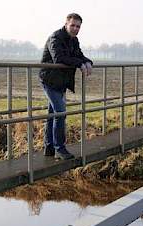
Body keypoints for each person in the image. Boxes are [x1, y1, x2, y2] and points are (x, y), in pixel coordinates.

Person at [39, 13, 93, 160]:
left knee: (53, 114)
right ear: (66, 24)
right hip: (50, 80)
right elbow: (59, 58)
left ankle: (49, 147)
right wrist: (79, 64)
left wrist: (88, 62)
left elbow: (80, 55)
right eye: (73, 25)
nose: (75, 29)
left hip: (61, 82)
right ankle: (60, 149)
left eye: (78, 26)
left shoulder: (74, 40)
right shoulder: (55, 38)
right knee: (60, 112)